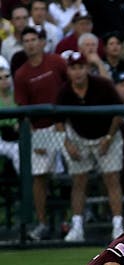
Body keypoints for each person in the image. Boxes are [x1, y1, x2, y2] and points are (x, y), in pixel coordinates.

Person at [56, 51, 124, 242]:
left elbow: (120, 113)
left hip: (107, 135)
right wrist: (66, 142)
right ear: (68, 70)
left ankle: (118, 227)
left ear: (87, 68)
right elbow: (58, 120)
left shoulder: (102, 85)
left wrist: (109, 138)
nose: (77, 72)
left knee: (111, 178)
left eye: (80, 67)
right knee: (79, 181)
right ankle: (77, 227)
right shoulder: (65, 91)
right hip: (79, 137)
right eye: (73, 68)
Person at [13, 26, 68, 241]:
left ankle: (70, 221)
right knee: (39, 177)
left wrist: (63, 123)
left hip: (62, 126)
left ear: (41, 41)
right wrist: (36, 137)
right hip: (39, 130)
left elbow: (70, 87)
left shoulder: (56, 62)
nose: (30, 43)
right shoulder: (21, 74)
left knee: (69, 176)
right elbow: (23, 110)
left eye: (34, 39)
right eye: (26, 40)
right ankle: (42, 222)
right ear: (23, 44)